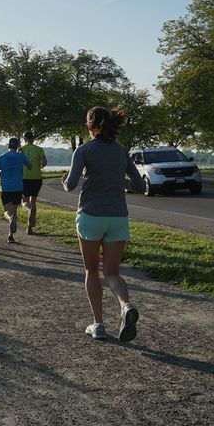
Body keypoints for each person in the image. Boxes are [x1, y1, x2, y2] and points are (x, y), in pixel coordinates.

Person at [61, 106, 144, 341]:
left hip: (91, 215)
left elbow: (71, 185)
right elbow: (140, 186)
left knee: (91, 270)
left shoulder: (83, 150)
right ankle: (126, 306)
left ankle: (98, 325)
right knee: (112, 272)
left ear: (89, 126)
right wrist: (118, 184)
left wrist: (65, 180)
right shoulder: (121, 151)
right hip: (117, 216)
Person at [0, 137, 32, 244]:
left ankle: (10, 219)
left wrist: (4, 173)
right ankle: (10, 236)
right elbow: (29, 167)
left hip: (5, 187)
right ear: (17, 146)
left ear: (8, 146)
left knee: (7, 211)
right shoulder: (21, 156)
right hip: (18, 187)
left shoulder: (1, 157)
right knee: (14, 210)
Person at [20, 130, 48, 234]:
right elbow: (44, 162)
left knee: (25, 202)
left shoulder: (21, 149)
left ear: (24, 139)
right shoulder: (39, 149)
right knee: (33, 201)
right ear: (33, 139)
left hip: (25, 178)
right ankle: (29, 228)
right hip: (37, 178)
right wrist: (41, 165)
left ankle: (29, 209)